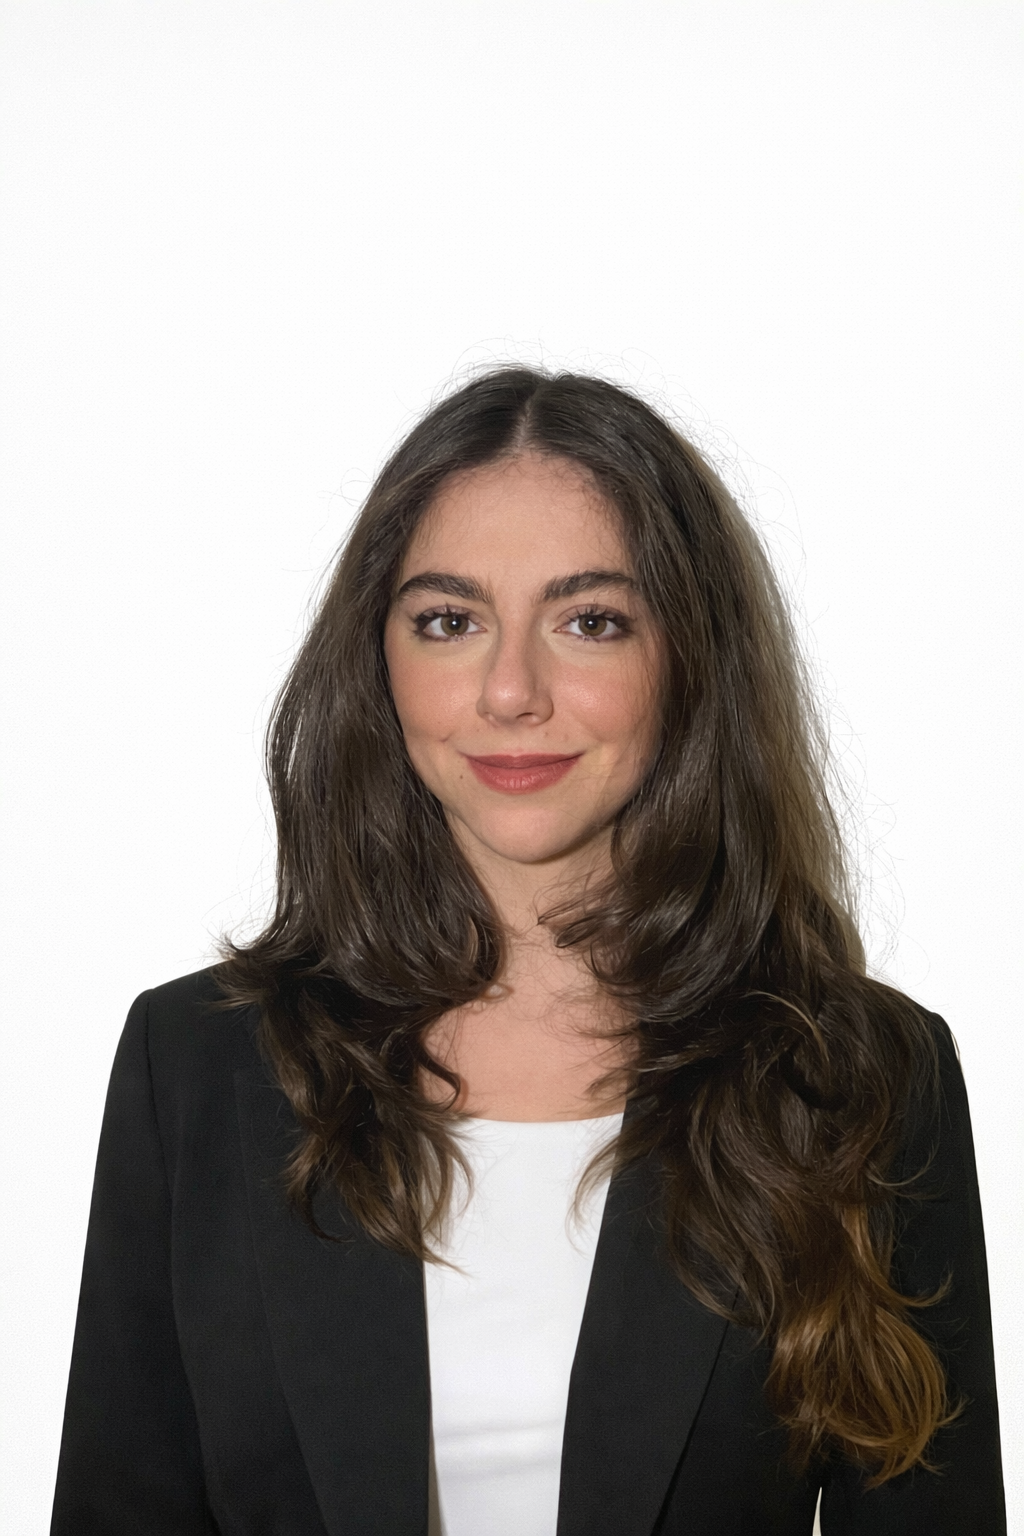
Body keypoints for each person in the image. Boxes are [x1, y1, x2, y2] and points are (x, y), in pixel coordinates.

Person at [51, 368, 1004, 1535]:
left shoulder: (858, 1074)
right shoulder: (198, 1066)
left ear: (688, 658)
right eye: (448, 622)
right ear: (379, 659)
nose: (510, 691)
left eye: (589, 621)